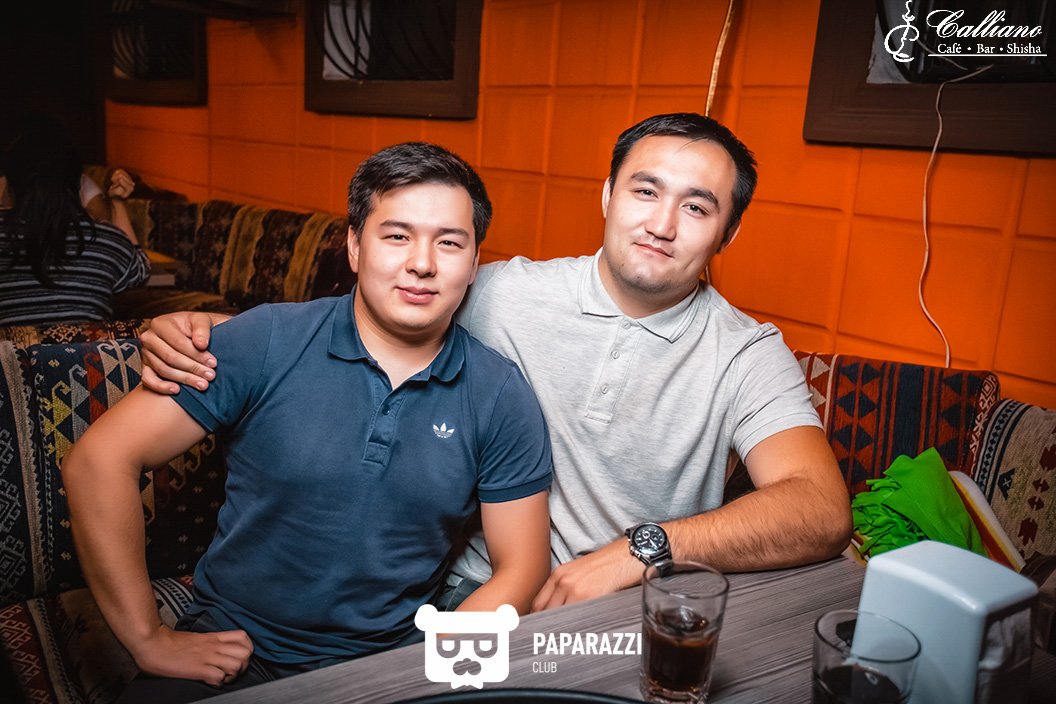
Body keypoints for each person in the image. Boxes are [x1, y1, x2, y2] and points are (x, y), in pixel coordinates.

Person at [138, 113, 852, 613]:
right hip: (474, 590)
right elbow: (366, 312)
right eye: (645, 191)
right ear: (607, 196)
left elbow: (820, 509)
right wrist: (210, 329)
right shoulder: (503, 292)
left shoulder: (745, 351)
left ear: (729, 230)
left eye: (697, 207)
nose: (662, 224)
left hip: (633, 605)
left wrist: (638, 550)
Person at [61, 142, 553, 703]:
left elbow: (521, 566)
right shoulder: (268, 340)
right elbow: (98, 462)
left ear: (474, 260)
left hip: (388, 662)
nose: (422, 262)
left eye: (449, 242)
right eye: (397, 236)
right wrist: (148, 638)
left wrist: (430, 672)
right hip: (234, 650)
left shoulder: (498, 394)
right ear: (354, 246)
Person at [0, 115, 148, 325]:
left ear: (9, 185)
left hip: (10, 347)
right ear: (79, 183)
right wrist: (118, 202)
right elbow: (140, 273)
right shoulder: (108, 241)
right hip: (87, 347)